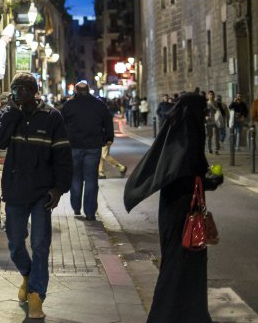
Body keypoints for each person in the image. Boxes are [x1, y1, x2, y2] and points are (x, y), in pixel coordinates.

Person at [123, 92, 223, 322]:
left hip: (176, 210)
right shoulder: (188, 137)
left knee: (181, 263)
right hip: (183, 212)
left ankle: (185, 314)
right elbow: (186, 175)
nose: (205, 115)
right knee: (181, 264)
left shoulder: (177, 133)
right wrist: (210, 181)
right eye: (202, 111)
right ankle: (169, 315)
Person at [0, 72, 71, 320]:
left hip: (42, 192)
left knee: (40, 245)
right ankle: (28, 274)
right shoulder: (8, 114)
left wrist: (58, 189)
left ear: (34, 90)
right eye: (15, 89)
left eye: (24, 88)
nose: (18, 93)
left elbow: (63, 157)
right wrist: (12, 112)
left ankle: (36, 295)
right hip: (14, 190)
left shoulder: (52, 116)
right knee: (14, 245)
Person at [61, 80, 113, 220]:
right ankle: (90, 212)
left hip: (74, 146)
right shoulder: (99, 105)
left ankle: (76, 207)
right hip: (93, 146)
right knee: (91, 179)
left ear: (76, 91)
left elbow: (61, 124)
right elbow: (108, 121)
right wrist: (109, 138)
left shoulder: (69, 105)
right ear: (88, 90)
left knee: (76, 178)